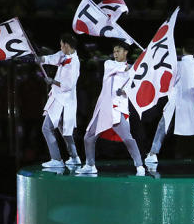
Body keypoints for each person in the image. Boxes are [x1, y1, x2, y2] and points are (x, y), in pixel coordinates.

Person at [144, 40, 194, 165]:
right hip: (191, 99)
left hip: (180, 100)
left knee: (163, 125)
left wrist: (153, 60)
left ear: (183, 50)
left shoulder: (180, 64)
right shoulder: (191, 63)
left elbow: (165, 72)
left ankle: (152, 153)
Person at [78, 40, 145, 176]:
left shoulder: (132, 72)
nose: (115, 53)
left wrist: (125, 92)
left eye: (118, 51)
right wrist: (131, 68)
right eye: (114, 51)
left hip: (117, 108)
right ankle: (90, 165)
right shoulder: (109, 64)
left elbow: (133, 91)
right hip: (103, 108)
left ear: (126, 52)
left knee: (128, 138)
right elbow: (120, 69)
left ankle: (139, 166)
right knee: (88, 137)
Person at [40, 34, 81, 170]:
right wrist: (42, 59)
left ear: (67, 45)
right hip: (58, 97)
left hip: (64, 100)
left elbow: (68, 85)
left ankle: (56, 159)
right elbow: (53, 57)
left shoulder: (74, 62)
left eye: (61, 45)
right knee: (65, 130)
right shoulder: (64, 55)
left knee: (47, 128)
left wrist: (53, 81)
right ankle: (74, 157)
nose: (60, 47)